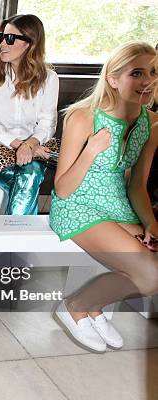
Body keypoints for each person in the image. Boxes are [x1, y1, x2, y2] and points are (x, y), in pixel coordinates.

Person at [50, 42, 158, 353]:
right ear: (112, 78)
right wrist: (90, 151)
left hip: (118, 208)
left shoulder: (150, 124)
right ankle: (76, 305)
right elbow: (63, 189)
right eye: (136, 73)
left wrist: (150, 222)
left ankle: (94, 308)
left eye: (153, 72)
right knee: (149, 274)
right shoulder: (83, 117)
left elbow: (137, 185)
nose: (148, 80)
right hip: (77, 206)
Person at [0, 14, 58, 215]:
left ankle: (10, 240)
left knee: (29, 174)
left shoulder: (49, 79)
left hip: (32, 147)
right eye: (2, 36)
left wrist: (29, 145)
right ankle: (18, 241)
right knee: (29, 177)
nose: (2, 43)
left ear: (30, 44)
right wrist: (20, 146)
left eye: (10, 39)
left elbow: (47, 123)